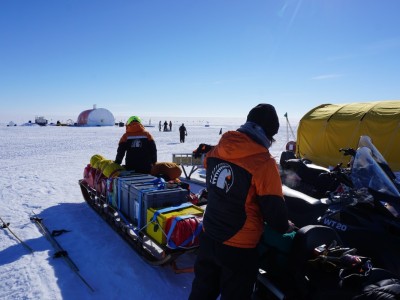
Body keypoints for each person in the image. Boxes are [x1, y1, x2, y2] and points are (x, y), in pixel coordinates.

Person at [189, 103, 295, 300]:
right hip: (238, 249)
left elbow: (210, 160)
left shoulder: (218, 149)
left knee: (202, 292)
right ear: (268, 133)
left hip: (209, 234)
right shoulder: (264, 162)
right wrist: (286, 227)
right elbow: (276, 218)